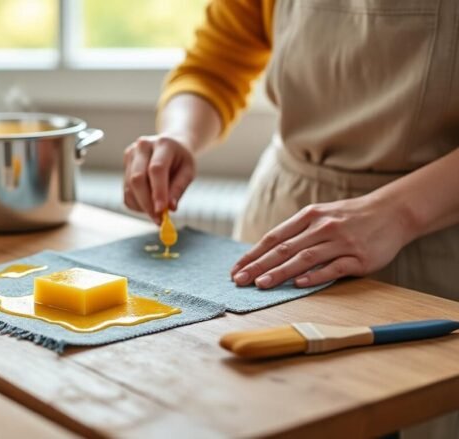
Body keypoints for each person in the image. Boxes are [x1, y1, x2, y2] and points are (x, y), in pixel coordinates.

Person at [123, 1, 459, 435]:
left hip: (440, 235)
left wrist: (400, 212)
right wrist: (178, 134)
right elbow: (215, 62)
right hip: (283, 218)